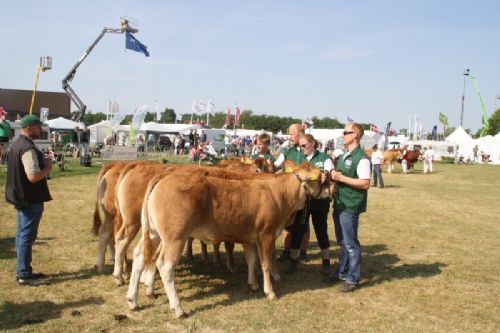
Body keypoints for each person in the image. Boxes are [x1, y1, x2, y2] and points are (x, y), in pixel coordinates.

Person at [5, 115, 52, 286]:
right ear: (31, 127)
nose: (41, 130)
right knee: (26, 236)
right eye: (39, 127)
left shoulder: (17, 144)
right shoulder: (27, 148)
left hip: (22, 196)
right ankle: (24, 274)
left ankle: (24, 270)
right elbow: (32, 176)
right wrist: (47, 168)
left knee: (22, 235)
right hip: (29, 199)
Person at [329, 122, 370, 292]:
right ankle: (342, 272)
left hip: (350, 205)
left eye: (346, 132)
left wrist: (341, 178)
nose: (343, 135)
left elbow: (365, 183)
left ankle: (353, 278)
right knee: (343, 242)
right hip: (340, 203)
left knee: (351, 244)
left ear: (355, 135)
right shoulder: (346, 155)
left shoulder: (362, 158)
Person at [295, 133, 334, 275]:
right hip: (303, 201)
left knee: (321, 230)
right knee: (298, 230)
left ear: (312, 143)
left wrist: (326, 176)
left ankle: (326, 262)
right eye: (300, 146)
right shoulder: (299, 157)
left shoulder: (324, 157)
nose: (302, 148)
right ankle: (293, 262)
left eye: (304, 145)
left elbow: (331, 174)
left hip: (320, 200)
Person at [273, 124, 309, 268]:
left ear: (301, 134)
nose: (290, 136)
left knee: (304, 223)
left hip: (304, 195)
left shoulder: (308, 151)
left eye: (292, 134)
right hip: (288, 196)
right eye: (289, 134)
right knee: (287, 225)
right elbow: (275, 166)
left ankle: (304, 251)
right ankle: (287, 251)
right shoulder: (287, 152)